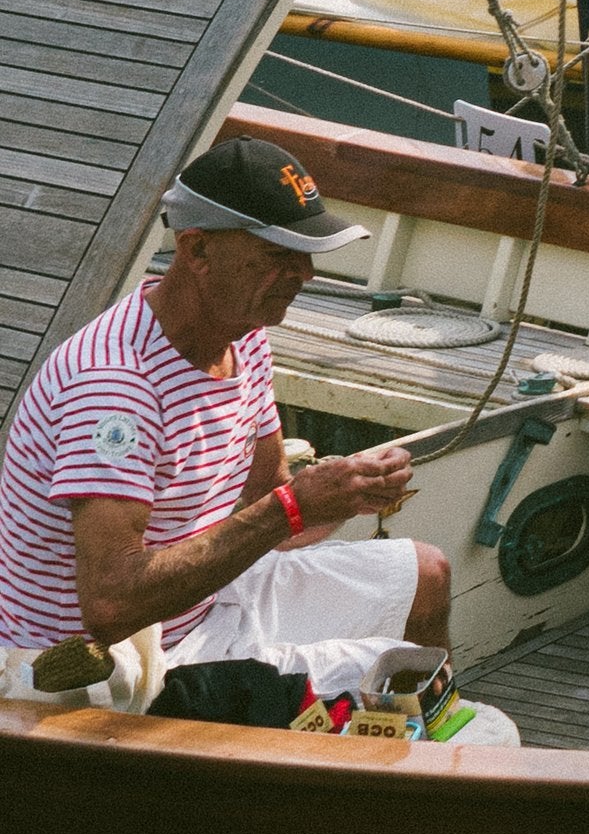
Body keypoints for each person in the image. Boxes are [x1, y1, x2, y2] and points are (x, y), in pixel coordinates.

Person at [0, 137, 452, 710]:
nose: (306, 273)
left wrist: (345, 495)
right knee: (389, 670)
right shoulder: (115, 389)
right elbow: (111, 605)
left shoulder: (245, 337)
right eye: (278, 256)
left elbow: (265, 499)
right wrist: (295, 507)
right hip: (110, 665)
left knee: (426, 573)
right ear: (196, 250)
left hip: (198, 605)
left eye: (308, 253)